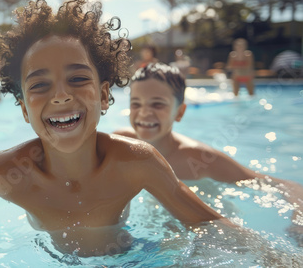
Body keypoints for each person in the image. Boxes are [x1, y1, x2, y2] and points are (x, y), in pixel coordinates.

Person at [0, 0, 235, 264]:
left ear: (104, 95)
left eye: (78, 78)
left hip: (134, 257)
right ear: (24, 109)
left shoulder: (137, 163)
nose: (60, 95)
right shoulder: (2, 174)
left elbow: (210, 224)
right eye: (40, 84)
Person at [114, 63, 303, 241]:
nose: (144, 113)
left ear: (179, 112)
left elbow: (284, 185)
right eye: (136, 104)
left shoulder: (198, 157)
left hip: (205, 229)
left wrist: (299, 222)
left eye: (157, 104)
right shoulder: (121, 144)